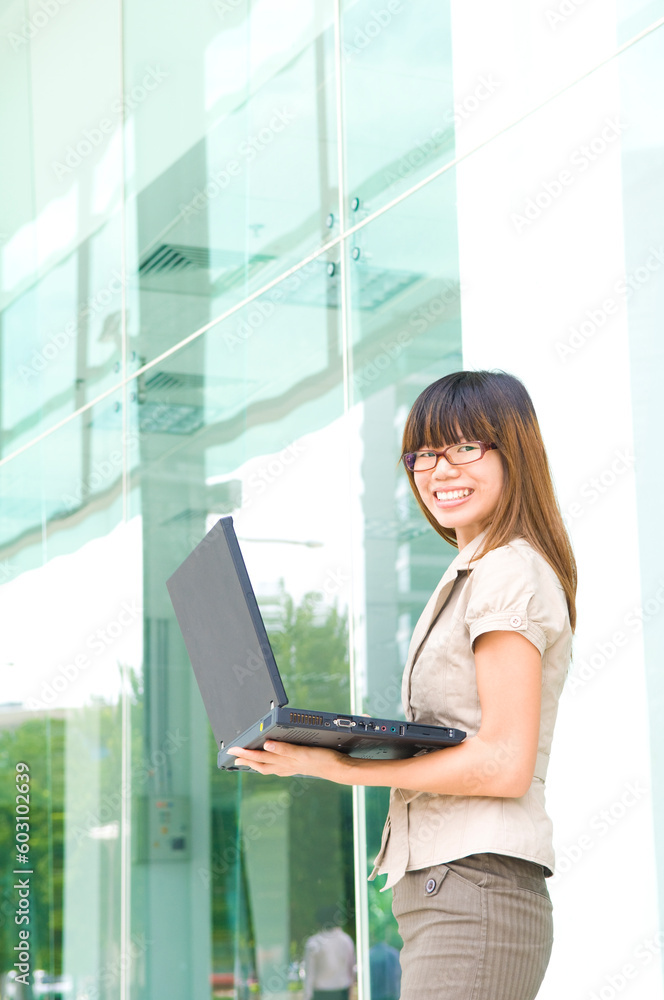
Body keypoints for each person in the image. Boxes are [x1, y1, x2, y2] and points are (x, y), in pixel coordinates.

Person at [229, 370, 576, 1000]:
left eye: (466, 447)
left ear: (514, 451)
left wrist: (336, 767)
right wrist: (333, 743)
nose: (440, 470)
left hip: (476, 887)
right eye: (424, 454)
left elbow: (502, 763)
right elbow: (459, 741)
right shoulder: (474, 572)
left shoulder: (508, 572)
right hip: (452, 888)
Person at [302, 904, 356, 1000]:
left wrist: (307, 996)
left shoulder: (314, 942)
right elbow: (351, 969)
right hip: (342, 992)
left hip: (321, 993)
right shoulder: (346, 940)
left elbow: (310, 973)